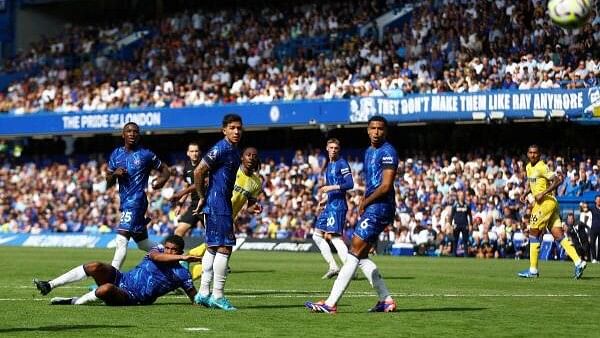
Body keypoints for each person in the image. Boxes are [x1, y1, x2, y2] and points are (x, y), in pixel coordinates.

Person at [305, 115, 398, 313]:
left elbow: (386, 185)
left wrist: (365, 201)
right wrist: (364, 202)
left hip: (381, 206)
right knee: (362, 254)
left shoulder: (388, 151)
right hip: (372, 206)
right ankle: (386, 300)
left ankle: (330, 304)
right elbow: (372, 182)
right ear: (367, 130)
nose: (376, 132)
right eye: (372, 128)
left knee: (354, 251)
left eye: (380, 129)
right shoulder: (368, 151)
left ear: (385, 131)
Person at [33, 235, 200, 305]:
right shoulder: (156, 251)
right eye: (168, 248)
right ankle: (50, 284)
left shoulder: (182, 273)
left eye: (174, 250)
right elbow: (158, 258)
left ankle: (73, 302)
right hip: (122, 279)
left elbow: (194, 296)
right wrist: (183, 258)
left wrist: (202, 299)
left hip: (134, 297)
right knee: (95, 266)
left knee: (106, 289)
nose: (169, 251)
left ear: (179, 251)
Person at [192, 114, 243, 311]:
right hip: (218, 204)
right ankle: (218, 296)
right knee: (225, 248)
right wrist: (201, 196)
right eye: (232, 128)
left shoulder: (233, 150)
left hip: (218, 203)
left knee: (212, 248)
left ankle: (204, 293)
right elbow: (199, 171)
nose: (236, 131)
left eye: (239, 128)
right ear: (224, 130)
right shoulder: (221, 148)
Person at [188, 146, 263, 280]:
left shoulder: (257, 183)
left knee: (214, 246)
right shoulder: (230, 171)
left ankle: (188, 262)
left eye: (254, 155)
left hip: (228, 217)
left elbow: (250, 206)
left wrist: (255, 208)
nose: (251, 158)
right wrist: (181, 194)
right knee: (220, 248)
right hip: (214, 210)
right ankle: (193, 275)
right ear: (242, 157)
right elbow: (204, 182)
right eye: (248, 154)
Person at [107, 122, 171, 270]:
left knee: (121, 240)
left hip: (136, 201)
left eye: (135, 131)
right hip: (125, 202)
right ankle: (174, 258)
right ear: (123, 134)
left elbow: (165, 169)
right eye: (129, 131)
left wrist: (161, 181)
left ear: (139, 135)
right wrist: (114, 174)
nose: (132, 134)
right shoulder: (116, 154)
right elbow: (108, 180)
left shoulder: (146, 154)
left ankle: (111, 278)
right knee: (143, 243)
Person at [518, 145, 586, 279]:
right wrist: (526, 193)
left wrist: (543, 193)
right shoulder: (528, 167)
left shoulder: (542, 167)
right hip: (550, 204)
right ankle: (579, 262)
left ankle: (533, 270)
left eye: (535, 153)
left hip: (545, 203)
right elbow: (532, 183)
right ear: (527, 154)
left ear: (539, 154)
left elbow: (558, 180)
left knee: (533, 233)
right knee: (558, 235)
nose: (532, 155)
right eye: (530, 152)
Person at [314, 138, 354, 279]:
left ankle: (350, 270)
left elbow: (350, 184)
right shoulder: (329, 166)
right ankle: (333, 266)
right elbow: (332, 189)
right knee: (317, 236)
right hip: (330, 204)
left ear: (339, 149)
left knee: (335, 238)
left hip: (338, 206)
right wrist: (325, 199)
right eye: (331, 147)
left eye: (336, 148)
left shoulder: (342, 163)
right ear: (327, 148)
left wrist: (331, 187)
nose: (333, 150)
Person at [171, 142, 202, 237]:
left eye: (196, 151)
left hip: (207, 205)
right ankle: (179, 252)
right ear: (188, 153)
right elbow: (186, 187)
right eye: (192, 151)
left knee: (213, 235)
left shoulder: (205, 166)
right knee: (178, 232)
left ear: (200, 152)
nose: (194, 153)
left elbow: (201, 183)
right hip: (194, 205)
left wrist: (180, 193)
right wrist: (179, 204)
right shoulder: (187, 168)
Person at [450, 190, 471, 257]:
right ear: (458, 197)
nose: (461, 197)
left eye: (463, 196)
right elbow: (452, 216)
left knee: (465, 240)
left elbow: (470, 215)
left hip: (464, 224)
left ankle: (466, 254)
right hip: (457, 224)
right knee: (455, 239)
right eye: (460, 196)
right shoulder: (455, 205)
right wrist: (451, 225)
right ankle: (454, 253)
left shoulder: (466, 205)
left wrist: (470, 224)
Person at [589, 195, 600, 263]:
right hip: (593, 229)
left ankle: (599, 259)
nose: (599, 201)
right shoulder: (592, 208)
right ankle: (594, 258)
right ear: (595, 201)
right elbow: (585, 207)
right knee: (592, 243)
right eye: (598, 200)